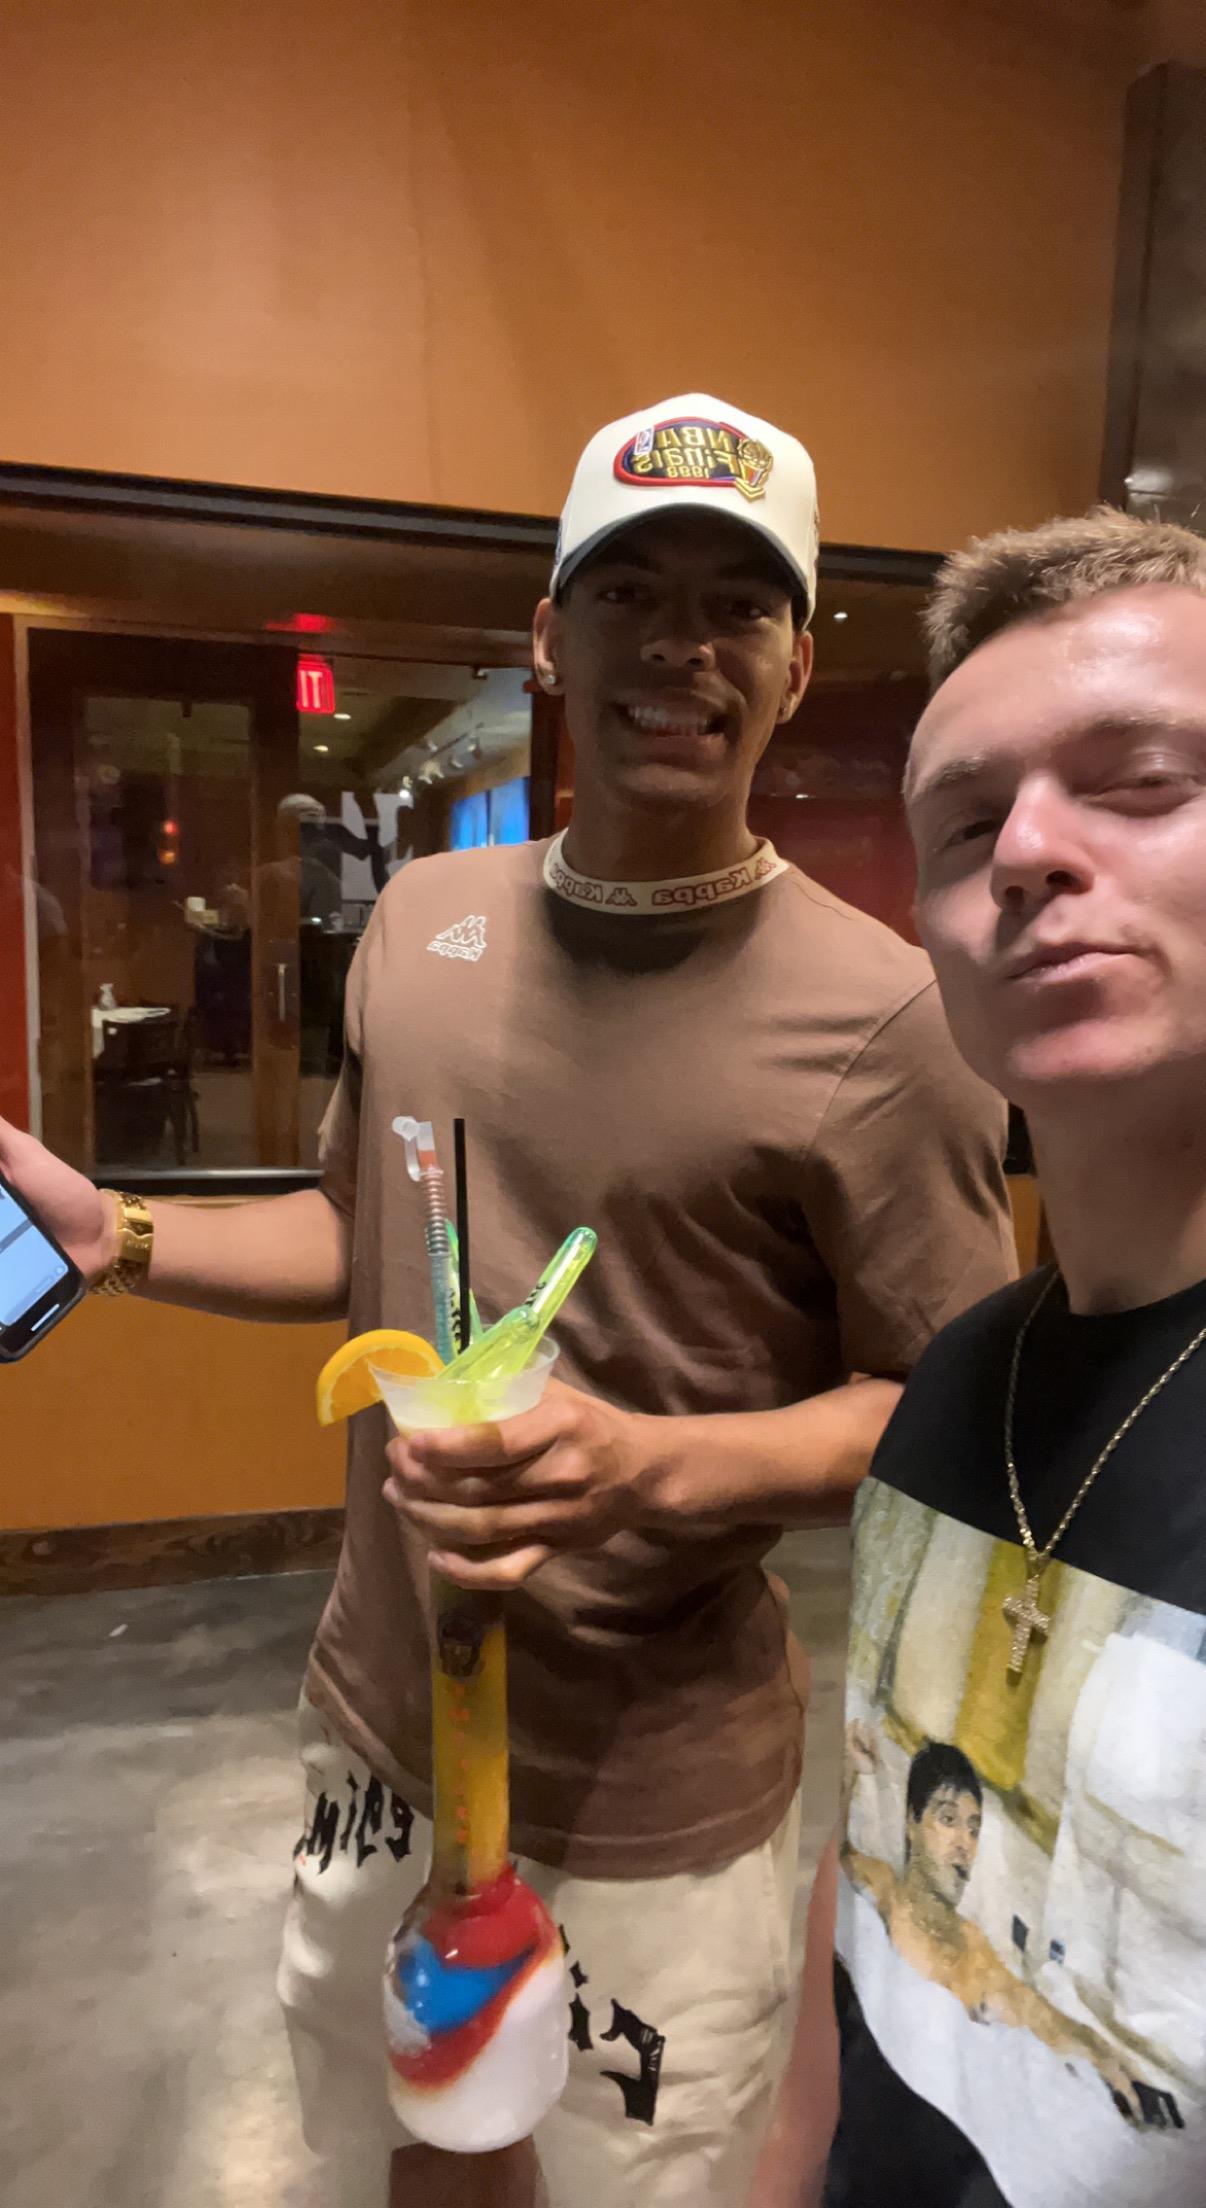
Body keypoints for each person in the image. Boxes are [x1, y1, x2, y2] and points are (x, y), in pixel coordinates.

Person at [0, 393, 1014, 2208]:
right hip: (381, 1726)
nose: (682, 645)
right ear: (550, 638)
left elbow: (940, 1413)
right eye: (629, 592)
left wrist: (644, 1469)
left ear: (793, 662)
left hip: (651, 1795)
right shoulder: (423, 925)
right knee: (404, 2156)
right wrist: (116, 1242)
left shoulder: (890, 1023)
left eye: (738, 601)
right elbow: (356, 1239)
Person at [755, 507, 1206, 2208]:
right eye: (961, 825)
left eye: (1140, 778)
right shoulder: (954, 1382)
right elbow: (868, 1871)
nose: (1022, 848)